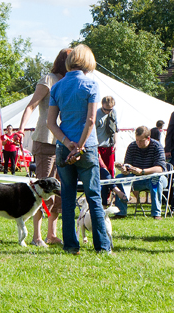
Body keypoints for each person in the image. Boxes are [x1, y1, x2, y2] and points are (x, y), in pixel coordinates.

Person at [47, 44, 111, 254]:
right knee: (93, 196)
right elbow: (91, 120)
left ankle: (71, 246)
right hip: (87, 148)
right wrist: (81, 146)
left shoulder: (57, 86)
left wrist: (67, 144)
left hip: (64, 149)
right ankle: (102, 247)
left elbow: (50, 123)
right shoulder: (91, 84)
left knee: (66, 197)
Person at [19, 48, 70, 248]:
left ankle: (52, 234)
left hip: (63, 141)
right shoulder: (48, 79)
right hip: (45, 140)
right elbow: (31, 106)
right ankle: (36, 236)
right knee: (41, 189)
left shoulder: (70, 82)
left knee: (58, 189)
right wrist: (21, 129)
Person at [113, 126, 168, 219]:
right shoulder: (132, 146)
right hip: (136, 179)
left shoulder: (157, 146)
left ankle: (156, 213)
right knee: (119, 178)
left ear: (148, 138)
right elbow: (128, 164)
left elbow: (160, 168)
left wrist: (142, 171)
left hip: (154, 178)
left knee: (156, 179)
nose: (138, 143)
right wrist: (125, 170)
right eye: (137, 140)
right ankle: (120, 212)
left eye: (141, 140)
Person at [95, 95, 118, 177]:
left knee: (110, 170)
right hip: (98, 147)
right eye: (105, 109)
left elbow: (115, 129)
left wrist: (115, 143)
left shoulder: (113, 112)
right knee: (101, 170)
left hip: (109, 146)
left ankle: (110, 189)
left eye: (110, 109)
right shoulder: (96, 114)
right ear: (102, 105)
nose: (107, 111)